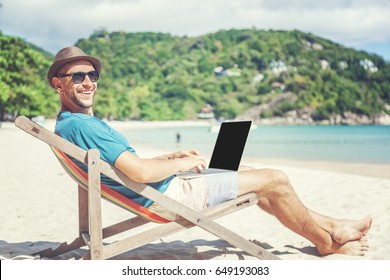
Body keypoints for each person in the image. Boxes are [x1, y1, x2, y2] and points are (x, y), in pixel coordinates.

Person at [48, 46, 372, 256]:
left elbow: (126, 167)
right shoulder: (83, 126)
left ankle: (333, 226)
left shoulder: (71, 125)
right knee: (275, 179)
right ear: (58, 83)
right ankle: (327, 243)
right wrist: (185, 163)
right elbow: (140, 173)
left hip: (168, 188)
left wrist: (170, 158)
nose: (88, 81)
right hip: (173, 197)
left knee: (245, 171)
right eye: (77, 76)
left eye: (92, 75)